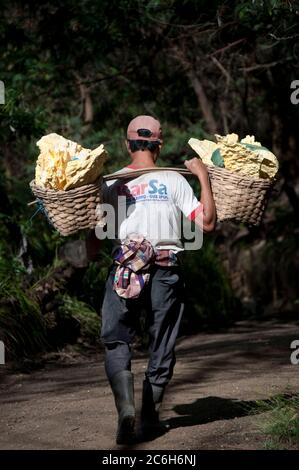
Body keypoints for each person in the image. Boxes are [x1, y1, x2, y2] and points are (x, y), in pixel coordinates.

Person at [93, 115, 216, 444]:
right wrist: (202, 176)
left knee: (116, 338)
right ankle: (149, 419)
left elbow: (95, 238)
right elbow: (206, 224)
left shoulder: (111, 182)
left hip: (125, 270)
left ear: (127, 144)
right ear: (159, 146)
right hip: (166, 268)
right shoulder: (174, 180)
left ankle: (126, 409)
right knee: (162, 341)